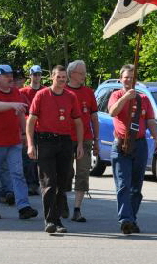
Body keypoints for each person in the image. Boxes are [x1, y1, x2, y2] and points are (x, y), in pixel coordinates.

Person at [26, 65, 83, 234]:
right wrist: (30, 144)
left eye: (64, 77)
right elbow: (31, 121)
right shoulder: (42, 95)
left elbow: (78, 122)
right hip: (45, 141)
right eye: (59, 77)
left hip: (65, 142)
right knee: (48, 183)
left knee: (62, 183)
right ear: (52, 77)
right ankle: (50, 220)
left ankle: (57, 219)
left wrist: (79, 144)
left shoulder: (71, 96)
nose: (62, 80)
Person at [107, 64, 157, 234]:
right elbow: (112, 112)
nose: (129, 80)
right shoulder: (116, 95)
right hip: (121, 144)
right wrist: (125, 99)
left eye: (132, 77)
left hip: (139, 144)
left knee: (136, 188)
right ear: (120, 79)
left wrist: (156, 137)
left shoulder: (143, 99)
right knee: (123, 185)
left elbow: (150, 120)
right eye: (126, 77)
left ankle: (132, 219)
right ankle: (125, 220)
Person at [0, 64, 38, 220]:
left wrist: (26, 135)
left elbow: (21, 115)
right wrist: (12, 105)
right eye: (6, 75)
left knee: (18, 174)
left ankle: (23, 207)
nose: (10, 78)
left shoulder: (15, 92)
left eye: (11, 75)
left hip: (13, 142)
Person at [66, 60, 99, 222]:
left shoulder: (88, 92)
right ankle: (62, 201)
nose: (84, 76)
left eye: (84, 72)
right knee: (65, 174)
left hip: (85, 139)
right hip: (65, 138)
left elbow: (94, 117)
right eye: (81, 73)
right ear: (72, 74)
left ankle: (77, 209)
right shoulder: (62, 90)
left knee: (83, 174)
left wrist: (97, 141)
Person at [19, 65, 45, 196]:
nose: (36, 77)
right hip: (28, 128)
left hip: (42, 128)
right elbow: (20, 111)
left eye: (39, 74)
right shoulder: (23, 92)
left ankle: (40, 183)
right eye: (34, 74)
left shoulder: (45, 91)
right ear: (30, 76)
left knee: (42, 158)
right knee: (28, 157)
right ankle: (30, 184)